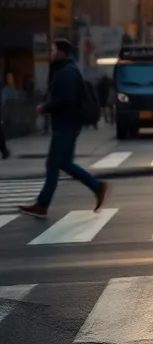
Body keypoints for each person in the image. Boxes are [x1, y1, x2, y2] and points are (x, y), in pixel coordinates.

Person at [19, 39, 109, 218]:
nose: (51, 54)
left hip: (66, 125)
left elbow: (67, 100)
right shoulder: (67, 70)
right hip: (68, 124)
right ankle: (97, 186)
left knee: (53, 164)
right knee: (65, 163)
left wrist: (46, 108)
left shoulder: (66, 72)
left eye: (53, 50)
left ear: (62, 53)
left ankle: (42, 205)